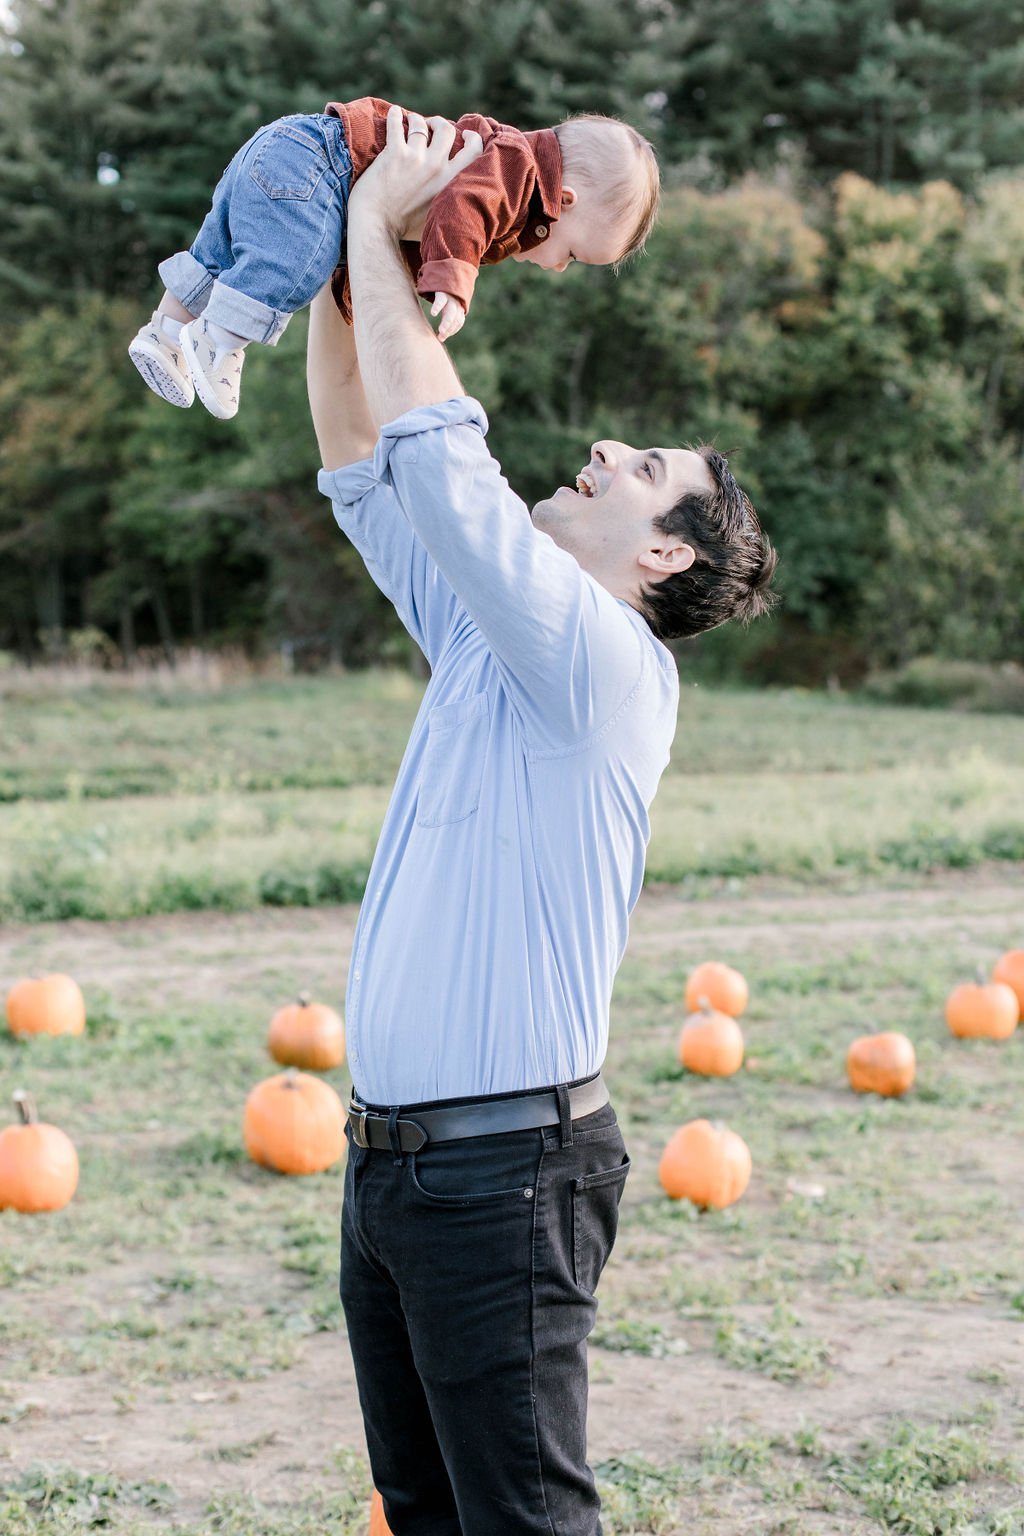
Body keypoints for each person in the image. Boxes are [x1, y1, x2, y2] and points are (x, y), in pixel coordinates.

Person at [307, 108, 777, 1536]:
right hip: (392, 1167)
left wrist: (397, 232)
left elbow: (442, 450)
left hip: (503, 1175)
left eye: (644, 470)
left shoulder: (601, 661)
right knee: (426, 1512)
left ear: (662, 554)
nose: (608, 446)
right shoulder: (496, 634)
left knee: (523, 1522)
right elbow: (363, 455)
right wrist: (355, 250)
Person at [128, 95, 659, 420]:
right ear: (561, 203)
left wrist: (365, 304)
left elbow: (396, 249)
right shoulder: (514, 170)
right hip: (321, 165)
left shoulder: (507, 165)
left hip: (286, 144)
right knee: (295, 263)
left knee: (221, 246)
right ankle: (219, 341)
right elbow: (464, 207)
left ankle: (167, 331)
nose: (561, 267)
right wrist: (453, 280)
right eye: (571, 253)